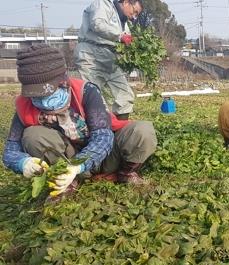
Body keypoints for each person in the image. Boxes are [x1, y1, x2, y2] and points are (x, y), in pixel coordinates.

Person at [2, 44, 157, 201]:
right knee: (33, 135)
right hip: (67, 161)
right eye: (34, 95)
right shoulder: (24, 105)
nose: (41, 100)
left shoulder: (85, 91)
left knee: (142, 131)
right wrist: (22, 162)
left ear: (63, 81)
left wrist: (79, 165)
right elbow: (10, 151)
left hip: (107, 157)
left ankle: (126, 173)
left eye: (46, 93)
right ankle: (66, 182)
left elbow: (103, 136)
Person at [74, 0, 143, 120]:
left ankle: (120, 131)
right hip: (91, 56)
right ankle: (96, 133)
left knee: (125, 95)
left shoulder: (125, 23)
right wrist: (120, 36)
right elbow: (98, 24)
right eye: (134, 11)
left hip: (110, 60)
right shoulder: (103, 4)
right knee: (93, 99)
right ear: (126, 2)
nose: (134, 16)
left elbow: (125, 41)